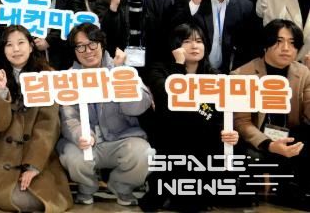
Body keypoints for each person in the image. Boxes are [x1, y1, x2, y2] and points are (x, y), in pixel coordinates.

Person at [142, 22, 240, 212]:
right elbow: (168, 100)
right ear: (175, 45)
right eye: (187, 41)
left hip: (203, 138)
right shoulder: (159, 70)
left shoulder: (215, 76)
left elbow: (219, 114)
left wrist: (227, 132)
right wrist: (179, 66)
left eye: (199, 41)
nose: (194, 46)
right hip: (170, 135)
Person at [57, 23, 152, 207]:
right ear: (74, 50)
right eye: (80, 46)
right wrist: (81, 135)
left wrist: (119, 73)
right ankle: (86, 187)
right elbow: (69, 117)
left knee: (145, 154)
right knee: (72, 157)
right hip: (86, 141)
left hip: (121, 138)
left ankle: (122, 187)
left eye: (92, 44)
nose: (87, 51)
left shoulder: (122, 69)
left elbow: (137, 108)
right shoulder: (68, 77)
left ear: (102, 44)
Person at [0, 25, 73, 212]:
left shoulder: (47, 75)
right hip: (4, 157)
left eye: (21, 43)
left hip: (39, 156)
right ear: (3, 49)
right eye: (9, 45)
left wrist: (33, 166)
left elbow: (48, 125)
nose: (15, 49)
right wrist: (1, 91)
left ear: (31, 46)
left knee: (36, 199)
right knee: (13, 198)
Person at [232, 19, 310, 209]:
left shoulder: (303, 73)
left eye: (292, 43)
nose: (286, 48)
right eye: (278, 41)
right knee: (248, 154)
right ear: (266, 43)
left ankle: (292, 192)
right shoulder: (242, 74)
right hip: (257, 140)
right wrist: (270, 144)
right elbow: (242, 123)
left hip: (290, 136)